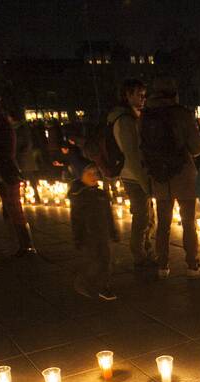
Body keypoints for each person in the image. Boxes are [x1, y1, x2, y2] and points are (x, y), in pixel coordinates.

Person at [140, 75, 200, 278]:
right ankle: (192, 265)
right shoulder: (182, 114)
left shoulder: (145, 116)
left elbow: (142, 147)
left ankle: (163, 266)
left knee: (163, 224)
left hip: (159, 176)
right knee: (188, 222)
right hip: (183, 174)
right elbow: (197, 147)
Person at [108, 79, 155, 269]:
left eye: (144, 94)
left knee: (148, 216)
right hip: (133, 176)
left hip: (137, 174)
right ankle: (139, 255)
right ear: (127, 95)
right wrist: (145, 182)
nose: (143, 98)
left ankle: (146, 250)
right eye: (139, 94)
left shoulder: (133, 117)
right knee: (142, 216)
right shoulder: (125, 120)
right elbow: (132, 154)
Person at [0, 92, 34, 255]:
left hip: (2, 169)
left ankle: (25, 244)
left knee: (12, 207)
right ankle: (25, 244)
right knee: (13, 208)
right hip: (6, 169)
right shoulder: (1, 123)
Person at [69, 155, 119, 301]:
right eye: (89, 174)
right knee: (93, 262)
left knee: (106, 261)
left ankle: (105, 287)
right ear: (80, 176)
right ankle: (83, 282)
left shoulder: (101, 194)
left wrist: (113, 231)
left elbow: (108, 214)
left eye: (95, 173)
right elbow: (76, 220)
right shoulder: (79, 196)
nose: (93, 177)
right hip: (88, 236)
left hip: (103, 233)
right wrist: (77, 238)